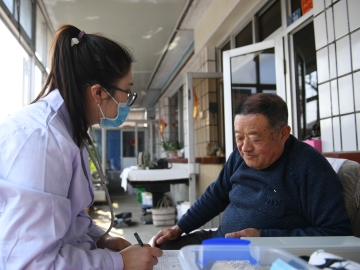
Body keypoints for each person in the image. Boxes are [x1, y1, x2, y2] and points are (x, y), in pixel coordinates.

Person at [0, 25, 162, 269]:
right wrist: (117, 263)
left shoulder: (70, 132)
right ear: (98, 92)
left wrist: (101, 239)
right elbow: (32, 262)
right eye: (126, 93)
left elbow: (68, 218)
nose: (126, 104)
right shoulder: (42, 142)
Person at [153, 93, 352, 250]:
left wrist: (265, 238)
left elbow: (337, 232)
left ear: (283, 134)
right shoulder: (240, 156)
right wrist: (179, 227)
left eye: (255, 139)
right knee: (161, 247)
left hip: (265, 256)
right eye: (239, 137)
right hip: (220, 242)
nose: (245, 148)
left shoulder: (310, 168)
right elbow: (216, 195)